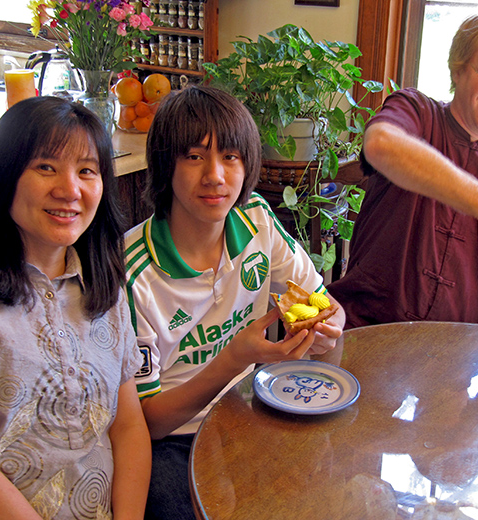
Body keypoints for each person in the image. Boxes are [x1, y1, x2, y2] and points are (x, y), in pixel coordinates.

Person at [0, 96, 151, 519]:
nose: (70, 190)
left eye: (87, 171)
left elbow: (128, 426)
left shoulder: (102, 280)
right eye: (46, 167)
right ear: (3, 176)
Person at [123, 85, 345, 519]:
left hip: (251, 407)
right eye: (193, 156)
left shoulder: (256, 220)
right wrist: (233, 358)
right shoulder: (131, 274)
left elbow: (325, 307)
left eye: (230, 157)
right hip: (173, 438)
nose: (215, 176)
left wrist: (326, 332)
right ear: (164, 164)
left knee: (321, 494)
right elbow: (145, 422)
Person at [328, 10, 478, 329]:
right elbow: (380, 145)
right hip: (367, 333)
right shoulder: (416, 113)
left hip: (463, 356)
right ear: (457, 70)